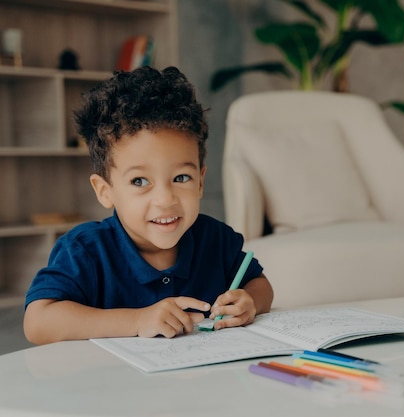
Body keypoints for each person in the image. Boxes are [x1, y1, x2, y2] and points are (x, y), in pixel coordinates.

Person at [23, 66, 273, 345]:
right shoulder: (85, 250)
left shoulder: (216, 240)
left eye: (181, 177)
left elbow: (260, 285)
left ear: (200, 182)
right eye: (140, 181)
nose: (166, 199)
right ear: (105, 191)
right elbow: (38, 322)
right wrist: (137, 319)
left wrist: (250, 302)